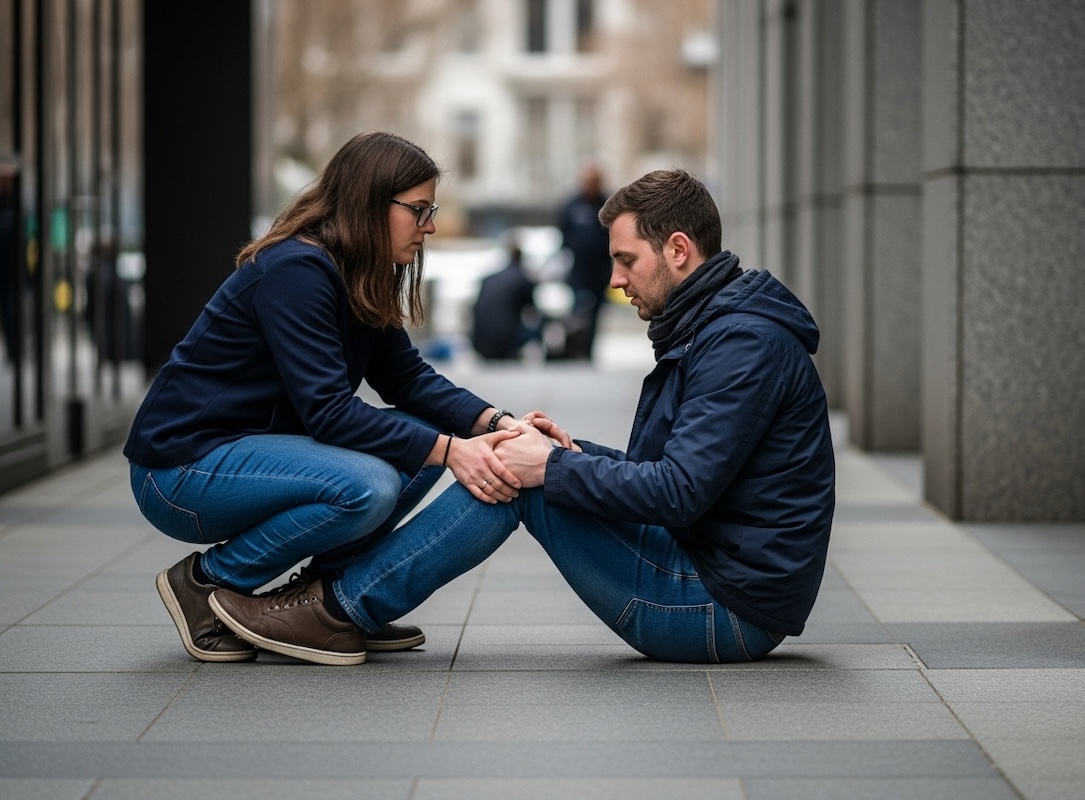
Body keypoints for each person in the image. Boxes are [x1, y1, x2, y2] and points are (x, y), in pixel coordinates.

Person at [209, 168, 836, 666]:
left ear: (677, 249)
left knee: (514, 482)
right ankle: (338, 598)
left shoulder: (740, 345)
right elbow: (676, 478)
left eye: (625, 260)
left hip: (720, 610)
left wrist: (552, 468)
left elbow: (677, 492)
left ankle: (336, 610)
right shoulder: (715, 330)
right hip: (713, 575)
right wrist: (573, 452)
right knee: (520, 461)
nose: (614, 280)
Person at [124, 131, 526, 665]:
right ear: (369, 203)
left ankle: (321, 596)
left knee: (415, 437)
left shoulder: (357, 270)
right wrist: (454, 450)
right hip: (179, 470)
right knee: (372, 483)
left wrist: (496, 423)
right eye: (419, 210)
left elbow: (407, 379)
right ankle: (207, 582)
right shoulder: (297, 270)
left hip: (241, 454)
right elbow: (329, 411)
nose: (429, 226)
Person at [555, 162, 610, 360]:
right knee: (577, 313)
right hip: (578, 272)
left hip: (600, 272)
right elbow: (563, 234)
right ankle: (574, 350)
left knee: (595, 314)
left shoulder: (608, 204)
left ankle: (588, 351)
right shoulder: (571, 205)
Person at [469, 236, 541, 361]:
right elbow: (533, 311)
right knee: (539, 326)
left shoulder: (490, 279)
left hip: (479, 342)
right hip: (504, 343)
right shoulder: (522, 278)